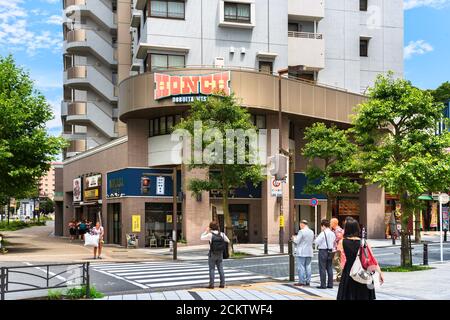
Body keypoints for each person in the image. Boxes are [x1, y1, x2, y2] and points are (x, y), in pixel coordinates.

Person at [337, 217, 384, 300]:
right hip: (363, 273)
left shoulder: (342, 242)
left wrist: (341, 273)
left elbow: (341, 261)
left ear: (346, 229)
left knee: (348, 296)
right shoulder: (363, 242)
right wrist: (380, 272)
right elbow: (371, 259)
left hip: (349, 273)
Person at [200, 221, 230, 289]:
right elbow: (228, 241)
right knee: (221, 269)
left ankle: (212, 285)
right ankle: (222, 284)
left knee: (212, 269)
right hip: (220, 254)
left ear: (211, 227)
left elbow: (201, 237)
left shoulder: (210, 235)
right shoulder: (222, 234)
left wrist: (206, 231)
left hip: (212, 254)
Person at [314, 219, 336, 289]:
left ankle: (323, 285)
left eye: (321, 226)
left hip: (323, 251)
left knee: (322, 268)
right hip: (330, 251)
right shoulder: (332, 233)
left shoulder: (323, 233)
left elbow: (316, 242)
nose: (321, 228)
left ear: (323, 226)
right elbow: (334, 241)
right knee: (329, 267)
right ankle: (330, 284)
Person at [292, 220, 314, 286]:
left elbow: (297, 241)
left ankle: (301, 281)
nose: (300, 226)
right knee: (308, 266)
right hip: (309, 251)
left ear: (302, 224)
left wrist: (293, 238)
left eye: (300, 225)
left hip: (302, 251)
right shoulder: (311, 231)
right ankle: (308, 281)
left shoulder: (301, 231)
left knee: (301, 267)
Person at [330, 218, 344, 282]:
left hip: (338, 247)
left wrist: (332, 239)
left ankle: (340, 276)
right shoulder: (335, 229)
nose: (330, 224)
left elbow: (338, 238)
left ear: (334, 223)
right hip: (337, 247)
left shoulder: (337, 230)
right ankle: (339, 276)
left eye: (331, 222)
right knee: (337, 261)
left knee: (336, 261)